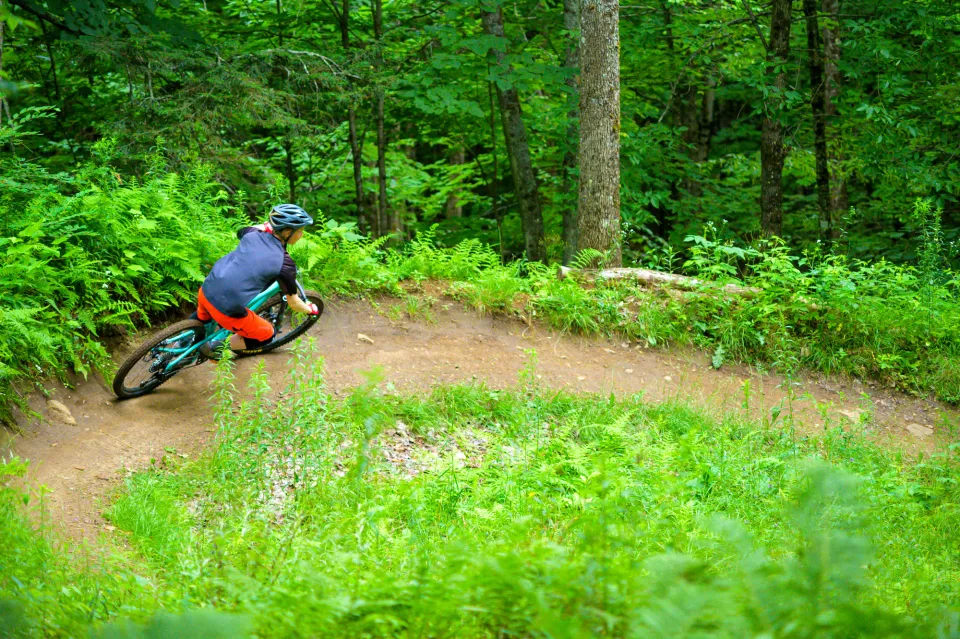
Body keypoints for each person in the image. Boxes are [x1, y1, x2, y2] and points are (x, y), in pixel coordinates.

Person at [195, 203, 320, 358]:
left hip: (206, 289)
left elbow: (241, 230)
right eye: (300, 231)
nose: (301, 235)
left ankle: (186, 339)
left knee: (202, 319)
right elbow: (294, 303)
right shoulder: (285, 263)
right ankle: (213, 348)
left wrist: (269, 225)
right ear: (287, 232)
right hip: (226, 310)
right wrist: (310, 309)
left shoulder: (251, 234)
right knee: (267, 335)